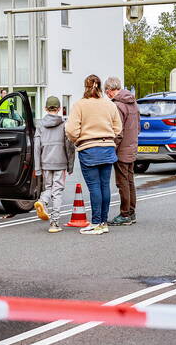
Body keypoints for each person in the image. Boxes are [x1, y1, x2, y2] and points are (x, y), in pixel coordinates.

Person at [66, 75, 122, 235]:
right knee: (105, 185)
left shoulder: (79, 105)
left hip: (89, 148)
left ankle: (96, 222)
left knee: (94, 187)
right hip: (107, 147)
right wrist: (109, 135)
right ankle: (104, 222)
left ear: (86, 87)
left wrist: (78, 139)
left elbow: (70, 130)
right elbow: (118, 127)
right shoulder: (109, 105)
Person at [33, 96, 75, 233]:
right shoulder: (64, 125)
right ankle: (54, 223)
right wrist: (70, 165)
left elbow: (36, 147)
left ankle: (43, 200)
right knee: (57, 191)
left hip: (45, 163)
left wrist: (37, 168)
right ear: (59, 109)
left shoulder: (39, 125)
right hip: (60, 163)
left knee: (48, 187)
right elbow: (69, 146)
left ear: (46, 108)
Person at [105, 76, 139, 226]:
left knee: (122, 182)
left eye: (107, 92)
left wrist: (112, 147)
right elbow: (137, 126)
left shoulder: (118, 105)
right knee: (130, 181)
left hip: (121, 150)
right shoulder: (133, 103)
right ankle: (131, 212)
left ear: (110, 90)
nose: (107, 95)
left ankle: (125, 213)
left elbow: (117, 131)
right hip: (132, 147)